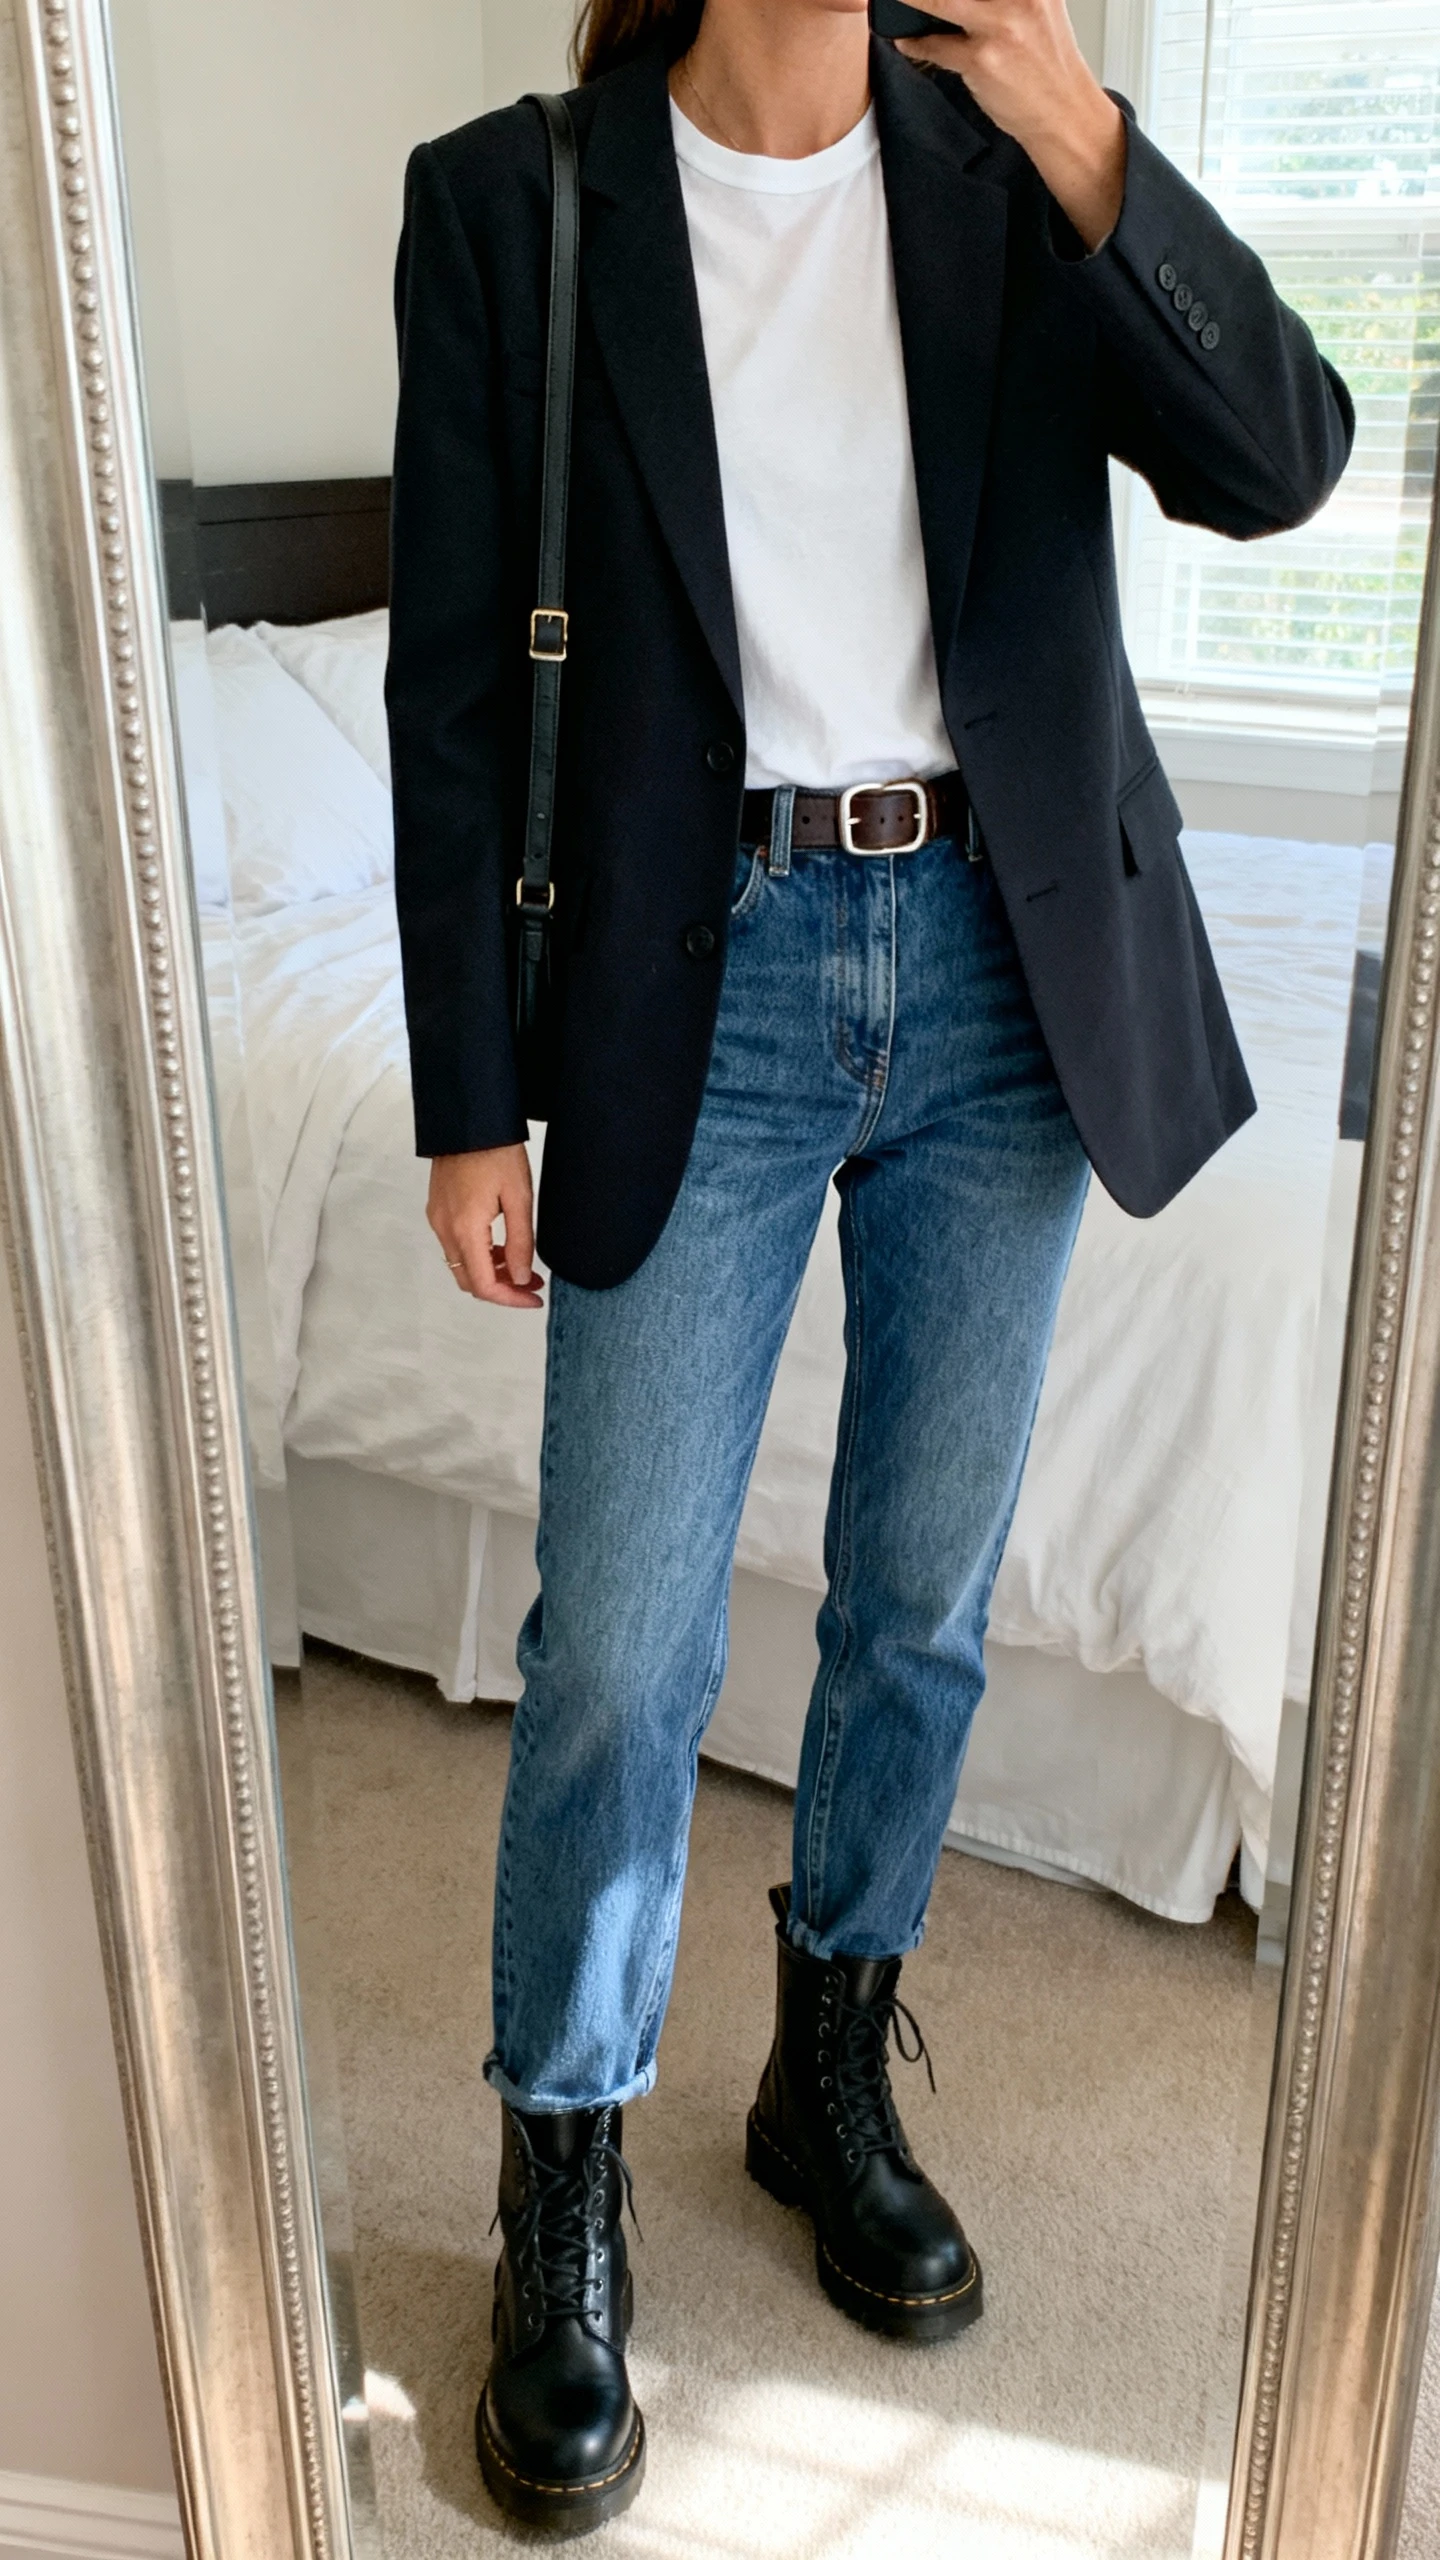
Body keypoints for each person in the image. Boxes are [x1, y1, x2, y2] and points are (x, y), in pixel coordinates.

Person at [386, 0, 1351, 2531]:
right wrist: (466, 1090)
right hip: (686, 975)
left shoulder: (1015, 168)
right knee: (620, 1633)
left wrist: (1090, 139)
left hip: (1002, 973)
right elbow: (453, 694)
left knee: (919, 1596)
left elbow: (1291, 456)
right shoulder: (519, 199)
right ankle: (565, 2178)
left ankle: (827, 2067)